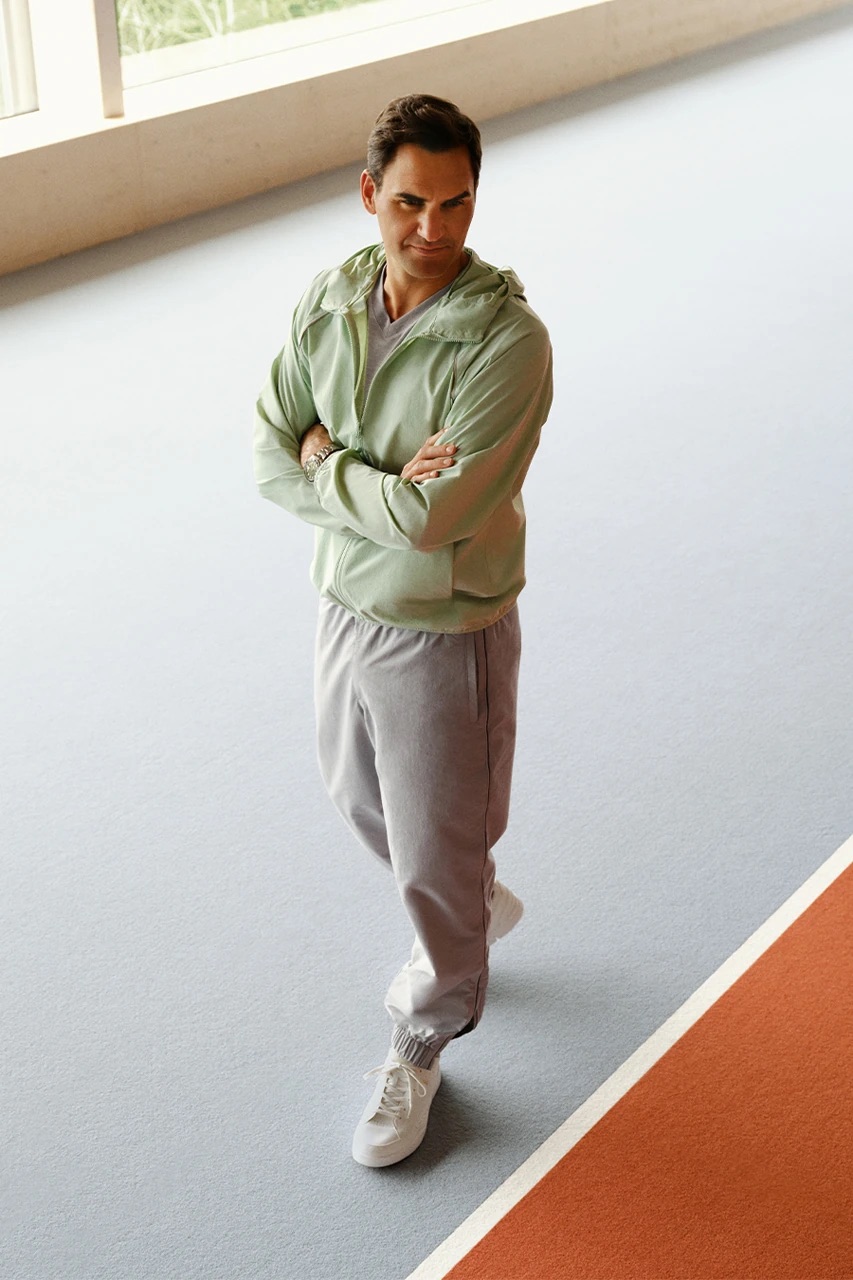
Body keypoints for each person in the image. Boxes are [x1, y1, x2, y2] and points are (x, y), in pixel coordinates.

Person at [253, 93, 553, 1168]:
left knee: (431, 852)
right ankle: (471, 890)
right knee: (358, 795)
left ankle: (425, 1035)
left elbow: (435, 520)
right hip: (345, 599)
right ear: (369, 193)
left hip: (442, 624)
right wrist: (374, 481)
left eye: (456, 203)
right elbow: (265, 450)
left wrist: (327, 458)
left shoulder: (508, 342)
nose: (433, 228)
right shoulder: (330, 299)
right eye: (411, 202)